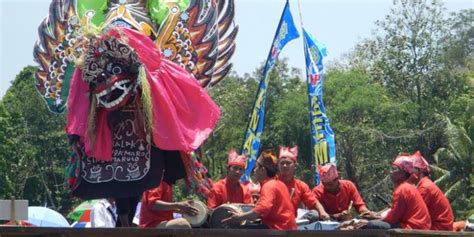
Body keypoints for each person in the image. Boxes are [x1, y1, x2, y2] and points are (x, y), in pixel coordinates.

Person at [222, 150, 296, 230]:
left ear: (263, 170)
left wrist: (240, 218)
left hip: (277, 229)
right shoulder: (279, 184)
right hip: (284, 228)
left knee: (236, 230)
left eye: (256, 167)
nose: (254, 171)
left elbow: (263, 208)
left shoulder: (269, 186)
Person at [362, 154, 431, 230]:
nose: (391, 172)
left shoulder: (402, 189)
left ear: (403, 172)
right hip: (418, 226)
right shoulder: (408, 187)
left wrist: (376, 219)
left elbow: (394, 217)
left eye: (394, 169)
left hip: (412, 227)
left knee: (371, 225)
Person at [277, 146, 330, 221]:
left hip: (292, 221)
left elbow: (313, 202)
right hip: (274, 221)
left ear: (295, 166)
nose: (285, 166)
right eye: (282, 163)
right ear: (278, 166)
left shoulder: (301, 185)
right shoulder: (272, 183)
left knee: (314, 214)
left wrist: (322, 212)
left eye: (288, 163)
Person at [408, 151, 454, 231]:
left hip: (439, 228)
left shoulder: (425, 187)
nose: (408, 172)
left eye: (411, 169)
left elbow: (412, 213)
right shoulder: (422, 185)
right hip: (434, 226)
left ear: (419, 171)